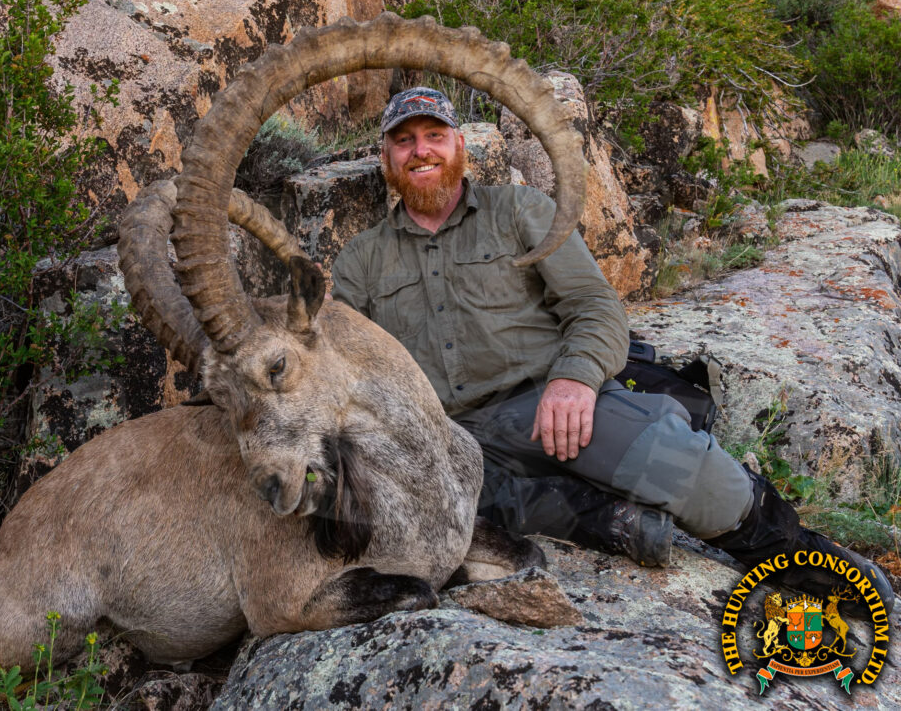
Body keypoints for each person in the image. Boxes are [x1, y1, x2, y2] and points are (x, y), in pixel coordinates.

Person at [331, 86, 895, 611]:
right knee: (428, 505)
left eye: (433, 135)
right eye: (404, 140)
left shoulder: (520, 211)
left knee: (691, 474)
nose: (420, 150)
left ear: (459, 145)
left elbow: (595, 305)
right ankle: (608, 520)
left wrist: (574, 379)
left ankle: (802, 559)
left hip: (548, 403)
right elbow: (347, 370)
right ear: (386, 157)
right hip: (451, 436)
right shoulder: (360, 261)